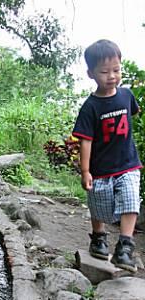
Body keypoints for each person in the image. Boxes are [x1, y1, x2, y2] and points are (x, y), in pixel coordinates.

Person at [72, 39, 142, 272]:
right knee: (98, 205)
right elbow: (86, 140)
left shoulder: (126, 95)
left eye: (116, 70)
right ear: (91, 73)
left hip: (128, 164)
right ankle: (99, 237)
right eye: (104, 72)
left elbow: (132, 115)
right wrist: (85, 171)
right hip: (101, 168)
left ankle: (125, 246)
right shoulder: (90, 107)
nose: (111, 76)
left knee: (131, 201)